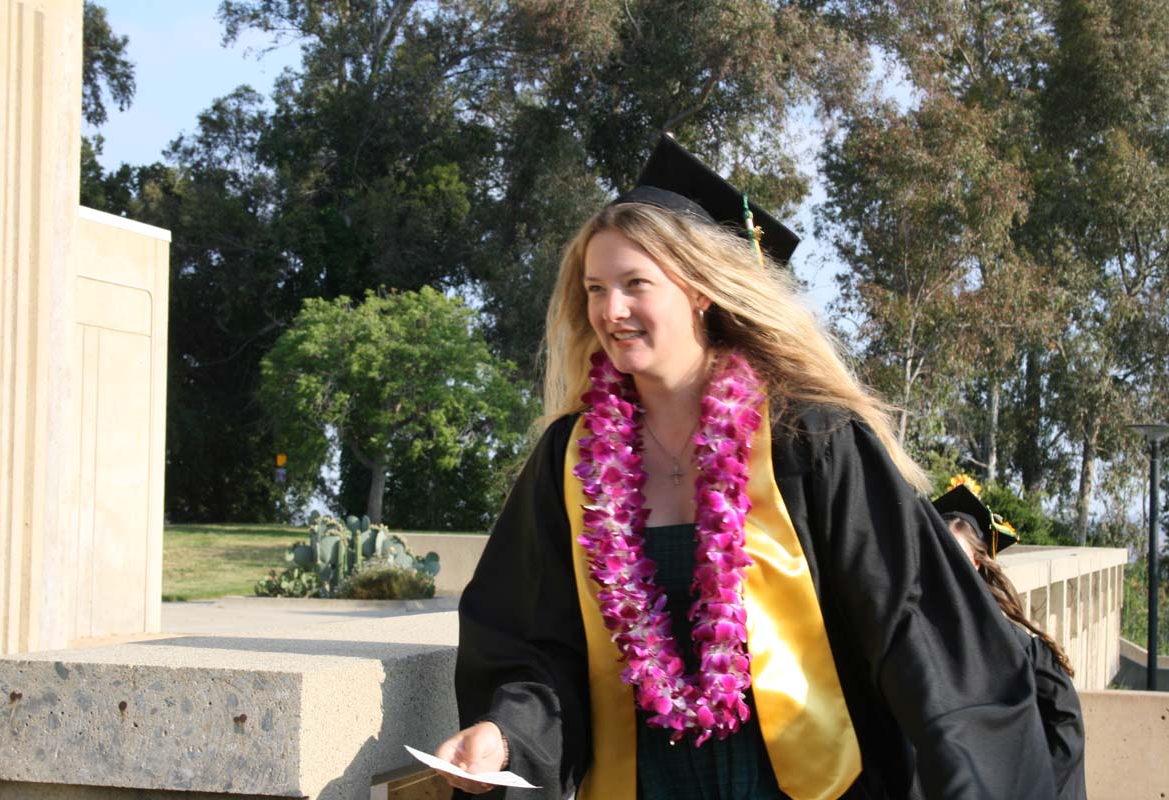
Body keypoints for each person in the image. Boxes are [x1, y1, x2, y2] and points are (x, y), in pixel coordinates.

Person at [435, 134, 1056, 799]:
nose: (610, 311)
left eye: (634, 284)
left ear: (700, 290)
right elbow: (536, 647)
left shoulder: (807, 438)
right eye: (595, 289)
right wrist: (505, 733)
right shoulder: (570, 460)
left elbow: (919, 632)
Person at [933, 481, 1087, 800]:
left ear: (977, 562)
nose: (947, 566)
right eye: (938, 554)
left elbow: (1066, 730)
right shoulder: (923, 641)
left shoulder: (1018, 647)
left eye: (957, 555)